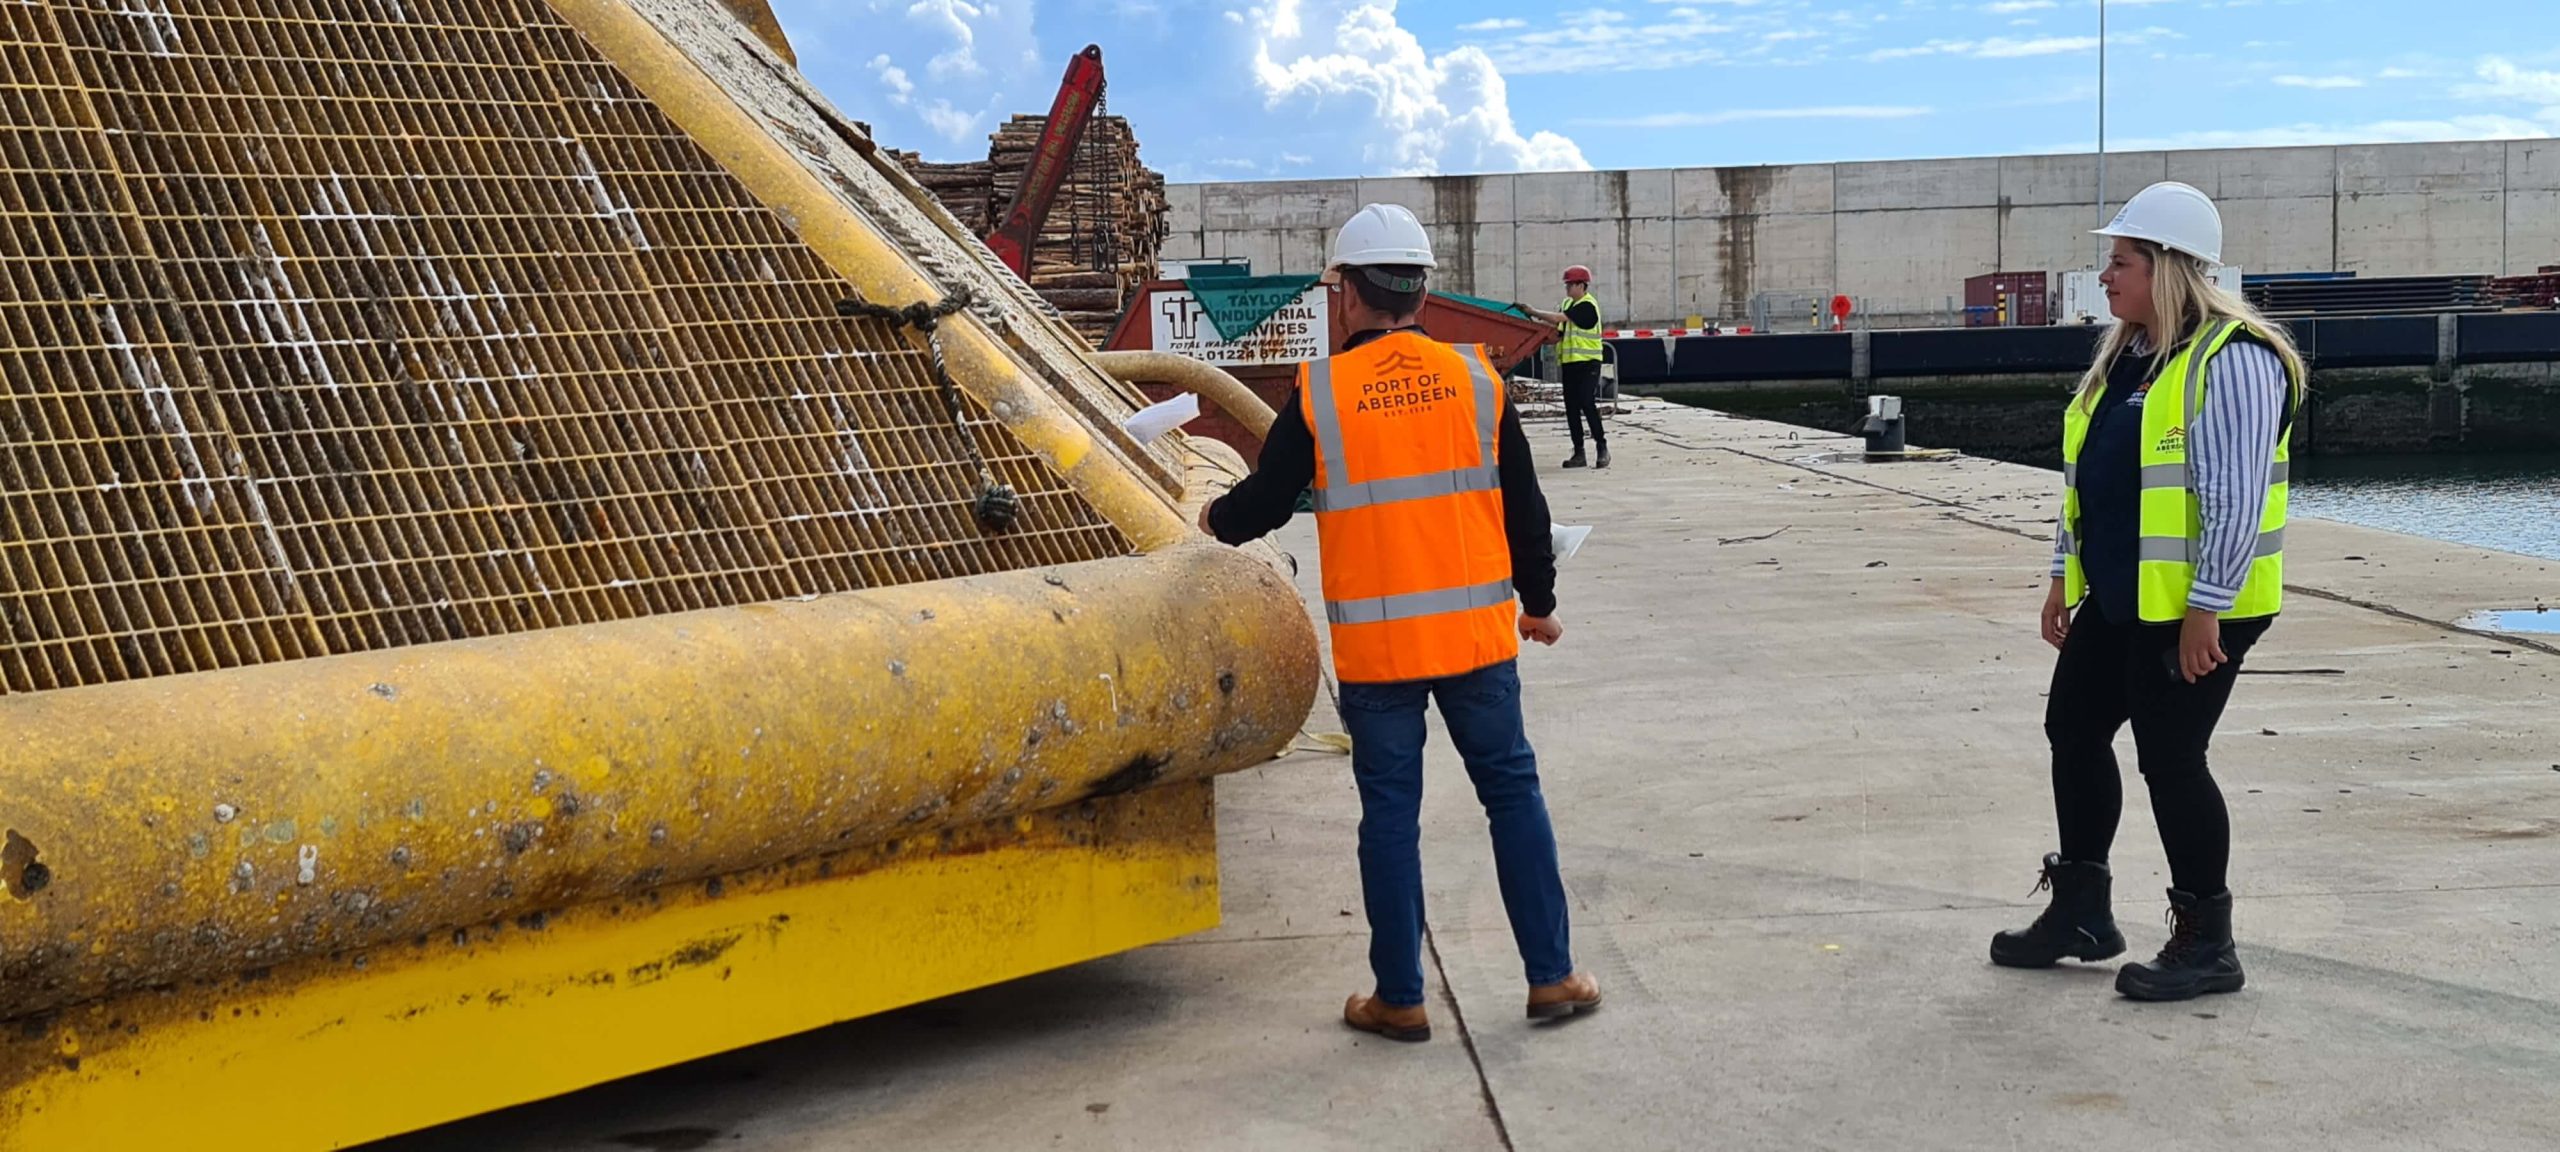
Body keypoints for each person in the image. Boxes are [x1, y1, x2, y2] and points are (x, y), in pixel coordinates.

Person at [1201, 203, 1601, 1041]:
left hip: (1379, 656)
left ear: (1345, 294)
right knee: (1512, 794)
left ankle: (1400, 995)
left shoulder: (1321, 393)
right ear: (1421, 289)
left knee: (1389, 814)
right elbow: (1524, 509)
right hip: (1476, 644)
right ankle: (1553, 976)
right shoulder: (1477, 379)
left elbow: (1261, 508)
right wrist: (1541, 606)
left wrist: (1205, 520)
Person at [1990, 181, 2306, 1002]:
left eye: (2120, 260)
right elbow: (2088, 483)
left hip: (2203, 605)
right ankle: (2083, 912)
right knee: (2074, 727)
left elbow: (2234, 496)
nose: (2105, 275)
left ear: (2168, 267)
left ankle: (2209, 942)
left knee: (2171, 758)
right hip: (2124, 596)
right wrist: (2064, 573)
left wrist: (2209, 610)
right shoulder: (2127, 357)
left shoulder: (2232, 356)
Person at [1526, 269, 1609, 469]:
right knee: (1572, 407)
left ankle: (1601, 446)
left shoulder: (1588, 305)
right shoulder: (1567, 304)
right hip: (1570, 363)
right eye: (1567, 284)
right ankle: (1578, 452)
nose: (1567, 288)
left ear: (1581, 285)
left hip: (1589, 362)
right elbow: (1559, 332)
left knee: (1586, 401)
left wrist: (1534, 312)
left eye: (1570, 285)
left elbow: (1558, 319)